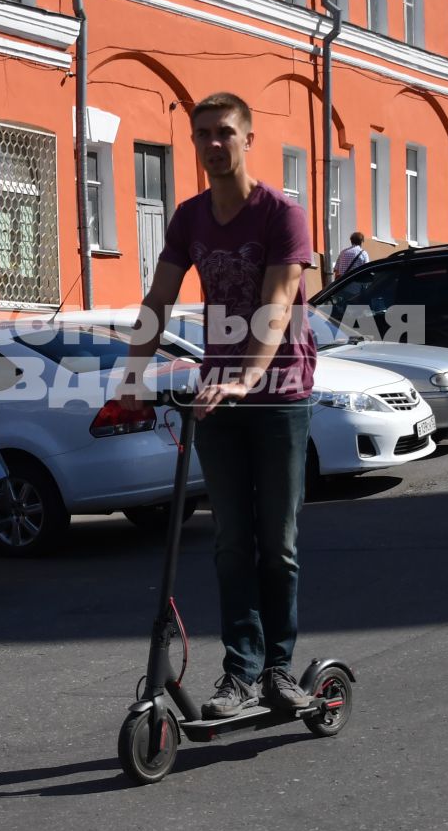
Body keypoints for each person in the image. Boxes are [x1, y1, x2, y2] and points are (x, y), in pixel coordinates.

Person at [122, 91, 318, 719]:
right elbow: (158, 296)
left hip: (281, 391)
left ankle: (281, 670)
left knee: (277, 543)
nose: (212, 144)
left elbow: (278, 306)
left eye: (224, 133)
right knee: (231, 540)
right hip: (218, 396)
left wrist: (245, 378)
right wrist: (131, 372)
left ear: (247, 138)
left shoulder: (281, 214)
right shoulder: (189, 217)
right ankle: (241, 673)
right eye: (202, 133)